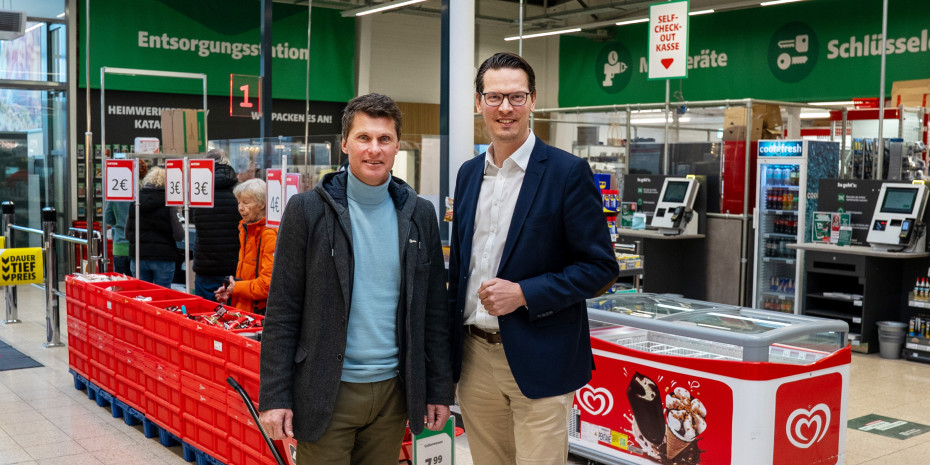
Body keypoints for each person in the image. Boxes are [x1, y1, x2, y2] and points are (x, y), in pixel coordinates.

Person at [258, 93, 452, 463]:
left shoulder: (419, 214)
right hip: (325, 391)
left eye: (384, 139)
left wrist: (438, 389)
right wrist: (275, 397)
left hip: (394, 394)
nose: (374, 149)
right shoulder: (307, 211)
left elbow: (434, 314)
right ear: (345, 143)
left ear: (397, 146)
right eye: (363, 138)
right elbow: (282, 310)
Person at [448, 52, 619, 464]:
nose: (505, 108)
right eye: (494, 97)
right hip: (473, 360)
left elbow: (600, 268)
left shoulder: (567, 173)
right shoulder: (469, 175)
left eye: (516, 96)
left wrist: (525, 292)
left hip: (540, 357)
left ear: (533, 100)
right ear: (478, 102)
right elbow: (461, 268)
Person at [213, 178, 276, 314]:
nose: (240, 208)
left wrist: (237, 288)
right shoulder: (246, 230)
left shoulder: (269, 235)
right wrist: (231, 290)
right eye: (239, 202)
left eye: (246, 203)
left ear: (262, 204)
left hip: (259, 314)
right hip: (246, 309)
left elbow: (268, 285)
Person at [191, 149, 241, 301]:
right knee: (231, 317)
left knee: (204, 314)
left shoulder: (198, 191)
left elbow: (194, 219)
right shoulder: (239, 191)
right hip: (232, 263)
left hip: (206, 263)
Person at [126, 166, 184, 288]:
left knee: (141, 297)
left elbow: (127, 234)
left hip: (139, 256)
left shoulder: (135, 202)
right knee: (162, 297)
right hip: (164, 258)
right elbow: (179, 236)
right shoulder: (169, 203)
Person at [104, 159, 148, 276]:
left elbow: (108, 218)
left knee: (121, 286)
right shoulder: (144, 192)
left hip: (120, 245)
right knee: (138, 287)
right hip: (140, 246)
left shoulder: (116, 192)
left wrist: (119, 221)